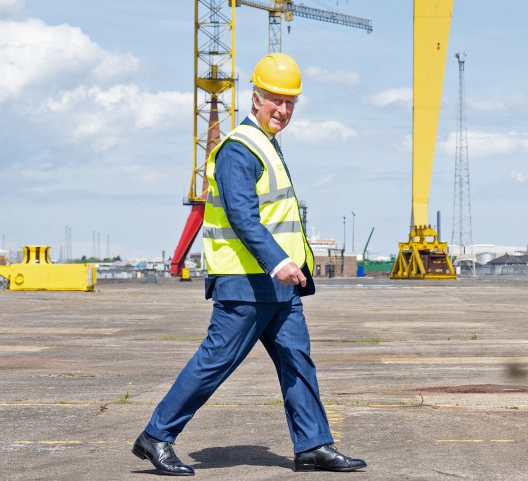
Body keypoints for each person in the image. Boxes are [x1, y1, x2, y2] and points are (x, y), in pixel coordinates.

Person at [132, 53, 366, 475]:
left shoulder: (268, 146)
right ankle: (156, 436)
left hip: (281, 284)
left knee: (298, 360)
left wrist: (289, 269)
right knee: (215, 362)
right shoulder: (238, 149)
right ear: (255, 99)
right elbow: (242, 216)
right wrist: (278, 262)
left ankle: (313, 444)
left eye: (290, 102)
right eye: (275, 100)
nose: (283, 109)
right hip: (246, 282)